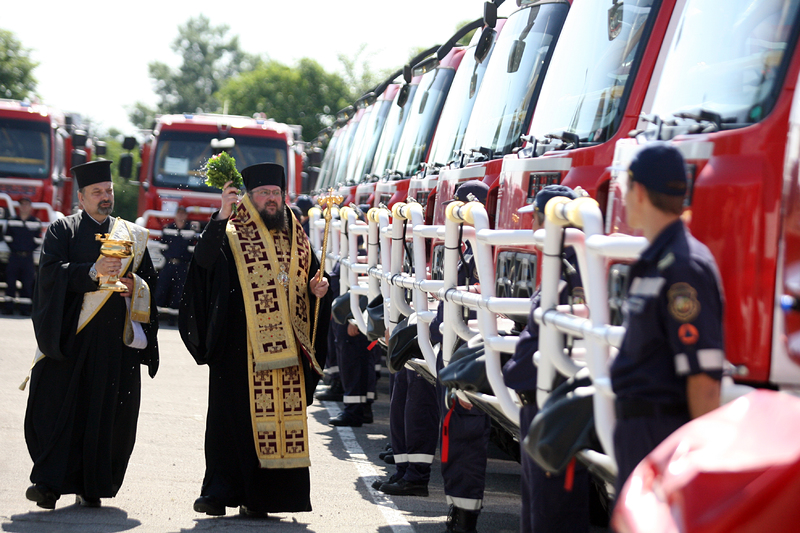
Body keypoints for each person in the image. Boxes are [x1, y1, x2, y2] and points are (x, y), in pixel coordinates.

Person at [179, 162, 332, 518]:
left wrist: (318, 288)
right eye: (264, 193)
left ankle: (267, 498)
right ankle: (218, 492)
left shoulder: (295, 231)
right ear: (250, 196)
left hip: (287, 351)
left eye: (276, 193)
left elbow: (310, 279)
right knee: (229, 424)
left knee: (278, 424)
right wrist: (221, 215)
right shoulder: (230, 229)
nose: (271, 200)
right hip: (238, 347)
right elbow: (202, 265)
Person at [24, 159, 159, 510]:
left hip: (115, 346)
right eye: (97, 192)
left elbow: (151, 284)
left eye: (109, 191)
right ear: (80, 197)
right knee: (58, 411)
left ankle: (94, 483)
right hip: (71, 339)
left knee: (106, 414)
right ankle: (48, 484)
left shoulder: (131, 234)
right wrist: (91, 272)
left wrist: (135, 286)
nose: (105, 198)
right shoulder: (62, 231)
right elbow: (50, 278)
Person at [611, 143, 724, 493]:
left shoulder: (682, 266)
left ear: (639, 191)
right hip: (641, 433)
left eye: (626, 188)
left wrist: (697, 477)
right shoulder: (657, 260)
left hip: (660, 434)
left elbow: (703, 379)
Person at [503, 184, 592, 533]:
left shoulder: (568, 270)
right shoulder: (566, 263)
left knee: (552, 512)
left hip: (554, 402)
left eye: (538, 218)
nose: (536, 227)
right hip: (542, 400)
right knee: (538, 508)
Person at [155, 205, 196, 324]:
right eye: (179, 213)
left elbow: (193, 248)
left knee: (179, 291)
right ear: (175, 215)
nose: (181, 216)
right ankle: (155, 316)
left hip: (183, 266)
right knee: (161, 289)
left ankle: (173, 319)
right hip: (168, 264)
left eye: (183, 213)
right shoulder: (168, 228)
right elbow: (162, 247)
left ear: (186, 215)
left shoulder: (191, 230)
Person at [3, 196, 41, 315]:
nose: (24, 207)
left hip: (27, 258)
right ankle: (8, 308)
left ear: (30, 207)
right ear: (19, 207)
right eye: (22, 204)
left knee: (27, 283)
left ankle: (25, 310)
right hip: (14, 256)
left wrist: (26, 250)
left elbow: (38, 241)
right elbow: (7, 238)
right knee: (10, 282)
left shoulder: (36, 223)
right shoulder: (12, 221)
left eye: (26, 204)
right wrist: (17, 249)